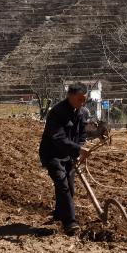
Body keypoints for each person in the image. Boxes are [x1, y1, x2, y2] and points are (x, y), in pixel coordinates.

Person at [38, 83, 91, 234]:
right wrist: (78, 149)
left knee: (70, 188)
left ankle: (59, 215)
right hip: (52, 154)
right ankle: (70, 223)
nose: (83, 103)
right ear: (70, 96)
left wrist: (79, 148)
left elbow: (82, 134)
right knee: (63, 186)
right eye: (80, 99)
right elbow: (58, 138)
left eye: (85, 99)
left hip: (69, 155)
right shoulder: (56, 112)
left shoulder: (82, 112)